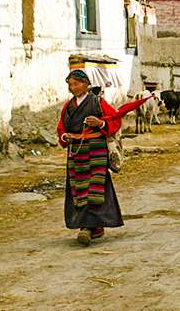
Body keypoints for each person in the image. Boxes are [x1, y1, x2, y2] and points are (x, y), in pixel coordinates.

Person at [57, 70, 124, 246]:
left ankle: (86, 227)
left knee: (94, 187)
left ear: (86, 83)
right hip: (76, 153)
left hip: (96, 152)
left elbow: (115, 121)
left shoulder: (98, 103)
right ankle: (96, 227)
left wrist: (100, 123)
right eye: (70, 85)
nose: (73, 88)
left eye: (76, 84)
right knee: (78, 188)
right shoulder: (67, 106)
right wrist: (65, 137)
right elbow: (61, 129)